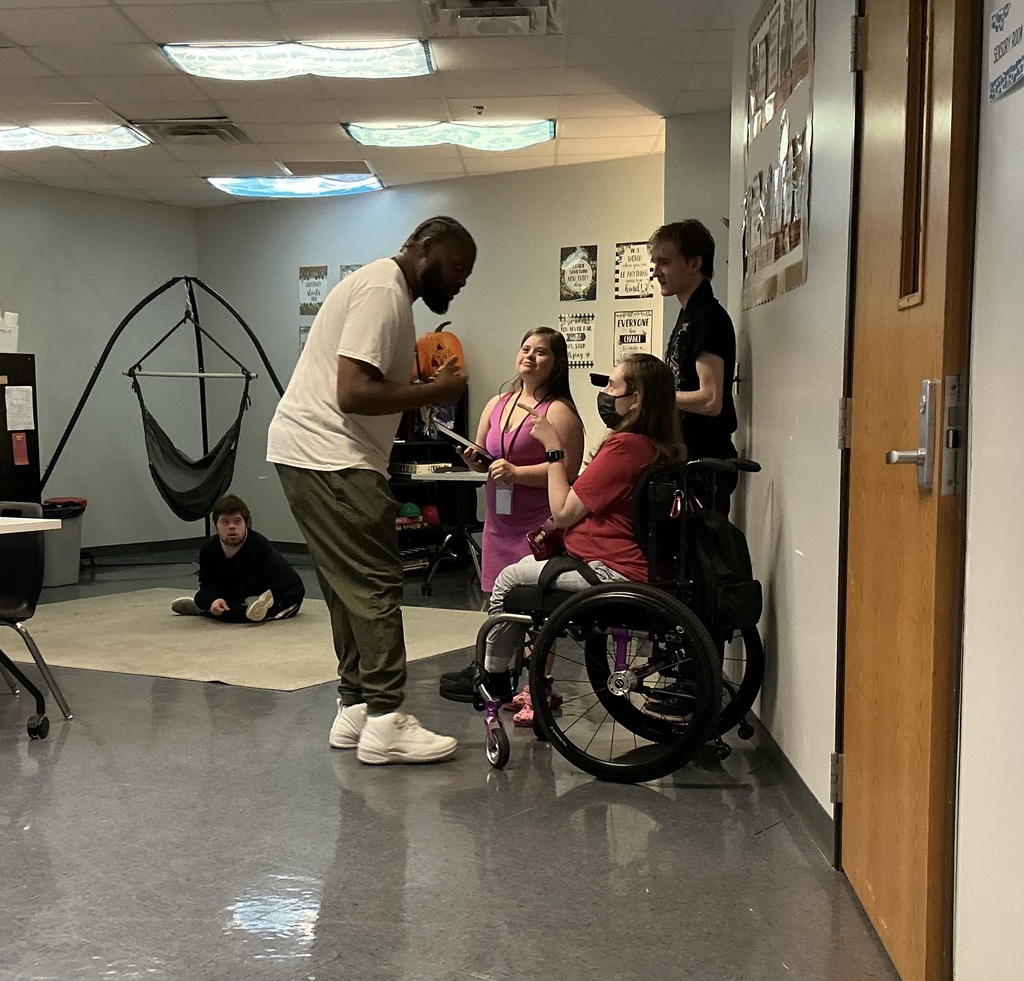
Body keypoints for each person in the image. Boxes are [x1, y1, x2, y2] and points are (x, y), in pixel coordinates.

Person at [267, 215, 475, 766]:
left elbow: (364, 386)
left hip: (308, 452)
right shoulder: (385, 289)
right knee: (378, 583)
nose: (460, 282)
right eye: (456, 267)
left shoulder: (382, 289)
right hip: (332, 455)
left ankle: (354, 707)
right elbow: (354, 393)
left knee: (346, 587)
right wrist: (440, 390)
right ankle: (386, 718)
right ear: (425, 249)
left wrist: (422, 389)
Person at [480, 353, 684, 715]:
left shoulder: (624, 447)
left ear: (635, 399)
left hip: (612, 570)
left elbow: (563, 512)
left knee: (509, 579)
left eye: (612, 385)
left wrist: (553, 448)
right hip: (633, 564)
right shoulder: (660, 447)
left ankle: (492, 678)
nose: (605, 393)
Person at [438, 327, 585, 717]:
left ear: (556, 364)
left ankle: (538, 686)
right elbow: (485, 453)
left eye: (541, 353)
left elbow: (566, 472)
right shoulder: (497, 404)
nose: (530, 357)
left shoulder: (559, 412)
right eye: (525, 349)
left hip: (537, 523)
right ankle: (497, 674)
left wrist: (518, 474)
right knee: (499, 604)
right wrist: (474, 460)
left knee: (538, 611)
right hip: (498, 521)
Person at [649, 219, 739, 515]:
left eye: (664, 262)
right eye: (655, 262)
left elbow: (711, 401)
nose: (656, 272)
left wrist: (653, 396)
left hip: (705, 467)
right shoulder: (688, 316)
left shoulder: (709, 318)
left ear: (694, 262)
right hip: (686, 460)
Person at [171, 494, 305, 622]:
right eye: (225, 522)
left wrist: (223, 600)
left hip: (280, 595)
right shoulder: (209, 548)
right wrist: (214, 599)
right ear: (216, 525)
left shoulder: (260, 546)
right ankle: (204, 606)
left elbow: (255, 584)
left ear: (245, 523)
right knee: (204, 597)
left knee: (239, 613)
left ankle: (203, 610)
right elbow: (207, 582)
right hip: (240, 593)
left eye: (237, 521)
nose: (231, 527)